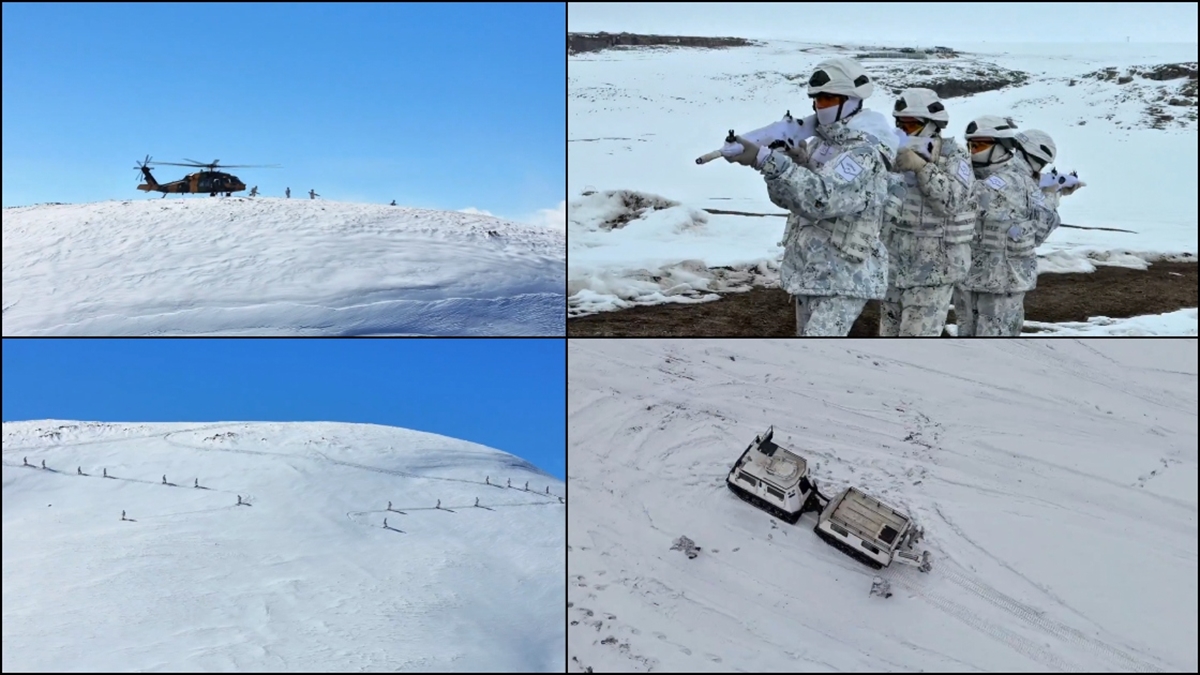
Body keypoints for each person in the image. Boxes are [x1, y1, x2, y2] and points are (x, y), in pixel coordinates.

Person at [723, 57, 897, 335]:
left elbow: (822, 198)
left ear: (851, 101)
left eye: (828, 99)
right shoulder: (823, 143)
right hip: (813, 270)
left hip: (844, 276)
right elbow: (802, 193)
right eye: (816, 100)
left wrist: (766, 161)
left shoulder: (863, 152)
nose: (819, 107)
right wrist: (799, 161)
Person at [881, 88, 976, 336]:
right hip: (893, 268)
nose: (903, 130)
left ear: (932, 125)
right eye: (900, 124)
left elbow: (952, 201)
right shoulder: (891, 153)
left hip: (933, 272)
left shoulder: (955, 157)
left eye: (911, 125)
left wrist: (922, 167)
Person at [954, 115, 1054, 336]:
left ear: (1002, 147)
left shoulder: (1011, 181)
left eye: (980, 145)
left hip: (1001, 285)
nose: (972, 151)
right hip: (969, 279)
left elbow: (967, 199)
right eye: (970, 145)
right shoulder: (974, 175)